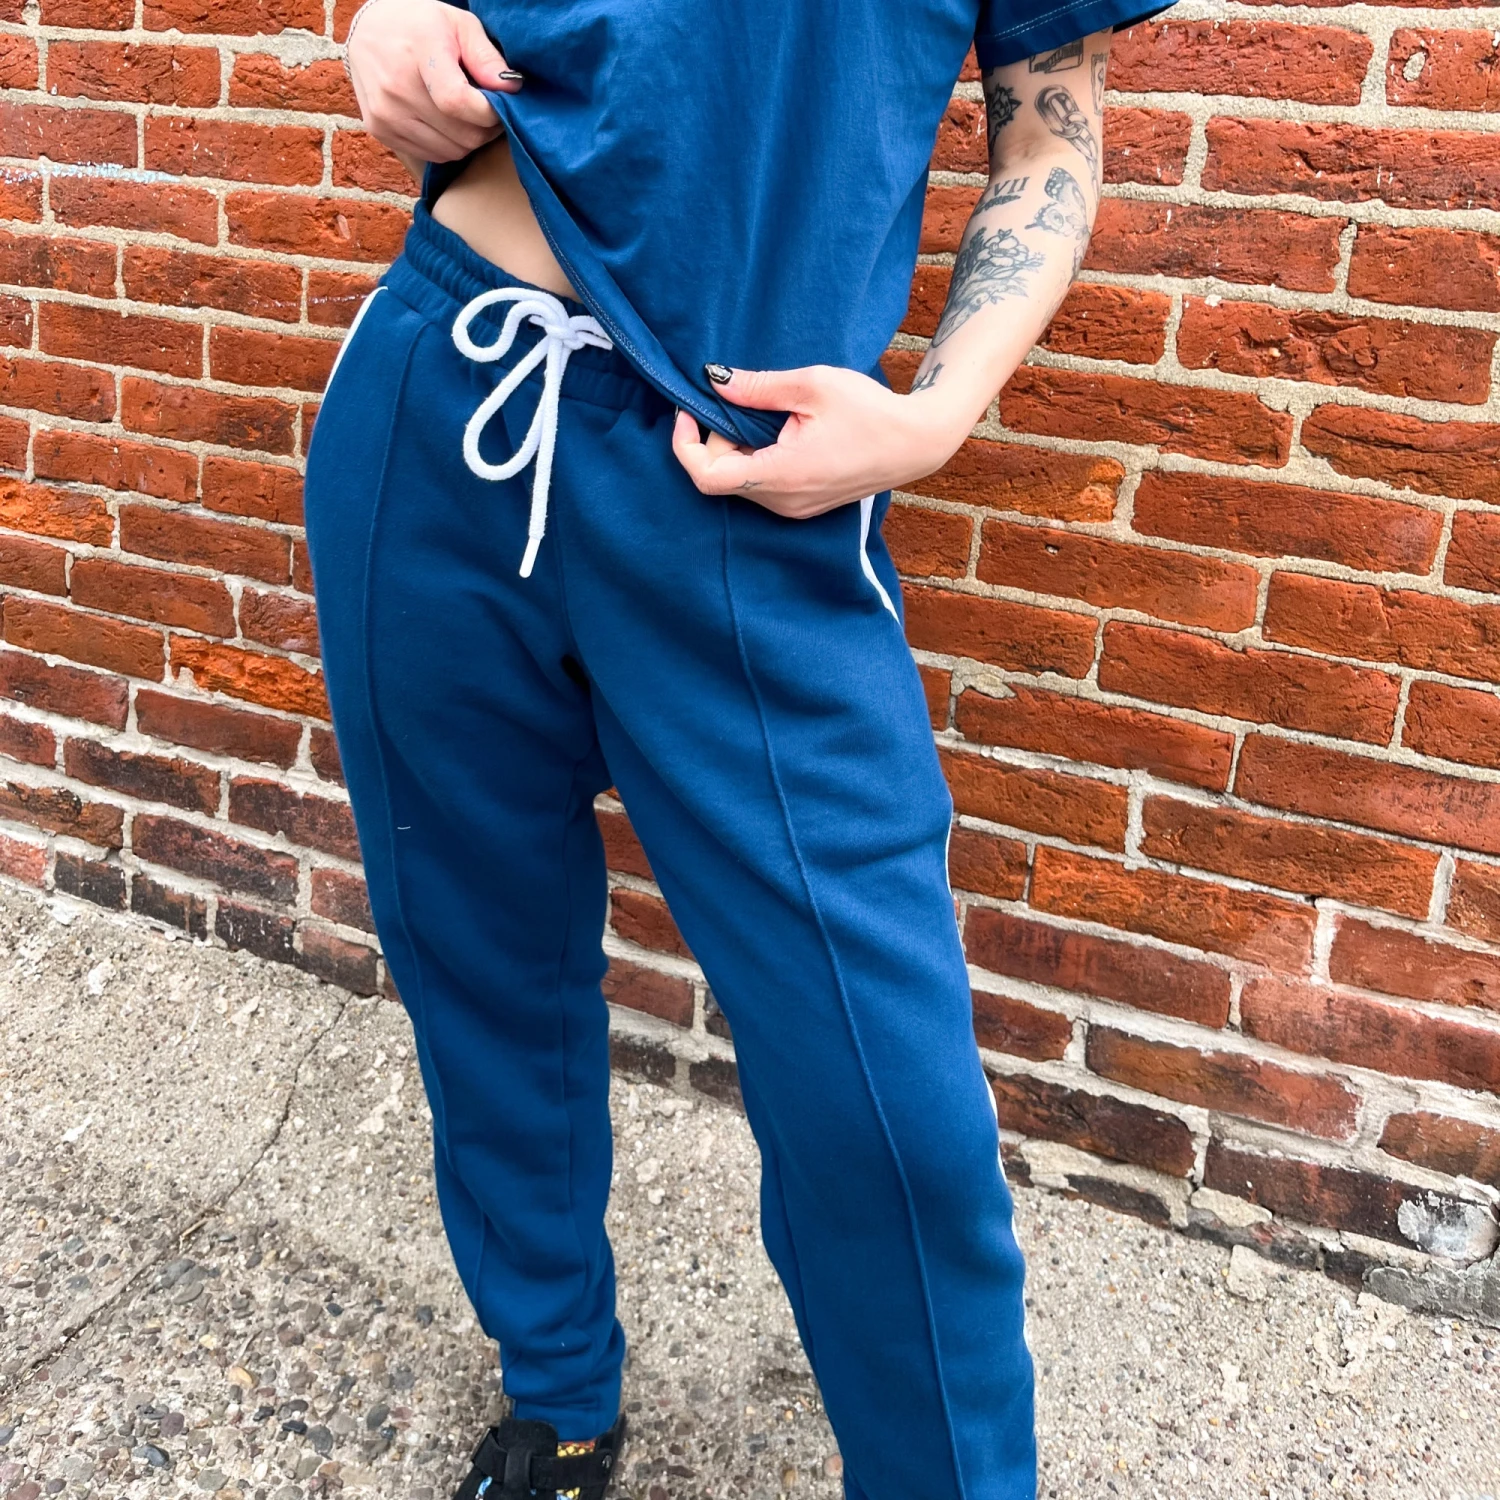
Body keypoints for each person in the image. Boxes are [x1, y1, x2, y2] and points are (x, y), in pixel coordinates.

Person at [308, 1, 1163, 1496]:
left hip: (752, 484)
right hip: (445, 394)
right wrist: (381, 22)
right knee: (474, 968)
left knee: (891, 1109)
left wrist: (935, 419)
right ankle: (560, 1395)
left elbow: (1051, 125)